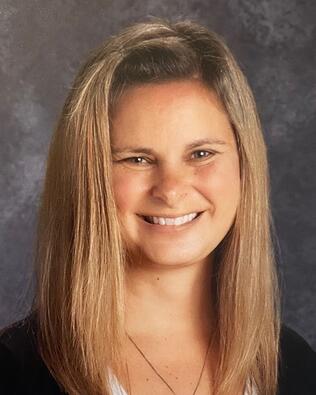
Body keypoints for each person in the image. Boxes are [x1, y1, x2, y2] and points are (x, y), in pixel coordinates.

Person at [0, 17, 315, 395]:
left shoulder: (294, 364)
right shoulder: (13, 371)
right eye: (137, 159)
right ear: (88, 177)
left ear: (245, 165)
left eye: (201, 153)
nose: (171, 189)